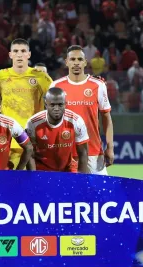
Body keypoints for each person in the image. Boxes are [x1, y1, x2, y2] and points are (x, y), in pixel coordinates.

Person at [0, 38, 53, 169]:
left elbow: (59, 97)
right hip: (8, 142)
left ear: (29, 54)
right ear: (10, 54)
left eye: (23, 51)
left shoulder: (41, 77)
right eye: (15, 51)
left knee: (34, 185)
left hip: (35, 141)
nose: (19, 54)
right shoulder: (0, 76)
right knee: (11, 185)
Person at [50, 45, 114, 175]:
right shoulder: (55, 86)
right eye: (72, 59)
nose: (76, 63)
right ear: (66, 62)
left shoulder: (98, 85)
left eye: (80, 59)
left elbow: (106, 118)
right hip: (65, 154)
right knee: (68, 195)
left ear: (85, 62)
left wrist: (110, 147)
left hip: (93, 152)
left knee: (102, 195)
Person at [26, 87, 89, 173]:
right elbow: (30, 154)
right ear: (46, 105)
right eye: (52, 105)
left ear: (65, 104)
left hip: (68, 168)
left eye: (60, 105)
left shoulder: (76, 121)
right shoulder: (33, 123)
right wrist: (33, 177)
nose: (56, 109)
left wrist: (82, 179)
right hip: (42, 170)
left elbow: (83, 152)